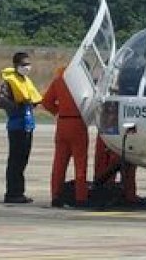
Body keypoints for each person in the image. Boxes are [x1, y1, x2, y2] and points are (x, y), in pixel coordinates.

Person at [0, 51, 42, 204]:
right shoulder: (9, 82)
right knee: (15, 160)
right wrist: (16, 106)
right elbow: (0, 101)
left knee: (23, 160)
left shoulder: (25, 81)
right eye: (24, 64)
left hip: (27, 126)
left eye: (28, 64)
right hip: (16, 126)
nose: (27, 67)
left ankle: (19, 192)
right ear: (16, 66)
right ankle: (12, 193)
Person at [41, 66, 89, 208]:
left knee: (59, 163)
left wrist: (58, 111)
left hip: (62, 123)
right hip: (78, 123)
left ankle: (56, 196)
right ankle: (80, 197)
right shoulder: (83, 83)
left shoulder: (58, 81)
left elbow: (46, 102)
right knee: (80, 163)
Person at [93, 133, 139, 203]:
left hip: (113, 133)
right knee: (126, 167)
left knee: (108, 167)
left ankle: (105, 193)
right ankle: (127, 196)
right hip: (118, 134)